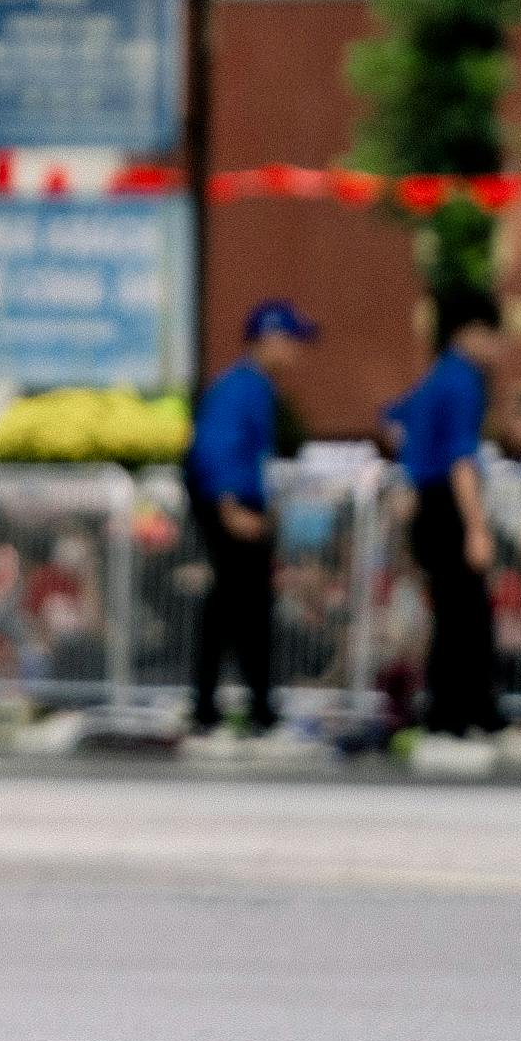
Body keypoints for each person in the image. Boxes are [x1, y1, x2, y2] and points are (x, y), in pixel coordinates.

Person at [184, 299, 315, 736]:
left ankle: (220, 706)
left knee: (233, 607)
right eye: (291, 340)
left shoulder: (250, 385)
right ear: (270, 339)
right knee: (245, 607)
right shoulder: (243, 386)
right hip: (232, 505)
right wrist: (230, 507)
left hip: (236, 503)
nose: (296, 351)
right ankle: (249, 709)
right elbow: (217, 447)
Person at [390, 283, 507, 751]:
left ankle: (465, 714)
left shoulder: (437, 376)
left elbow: (397, 424)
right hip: (447, 506)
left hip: (426, 502)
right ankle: (453, 719)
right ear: (470, 331)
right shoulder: (462, 380)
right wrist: (477, 528)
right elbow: (462, 460)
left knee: (458, 613)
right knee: (463, 615)